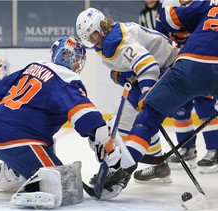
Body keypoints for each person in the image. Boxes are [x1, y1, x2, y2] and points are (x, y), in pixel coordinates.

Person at [0, 35, 126, 208]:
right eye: (73, 59)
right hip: (20, 140)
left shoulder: (33, 66)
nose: (75, 64)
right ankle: (25, 180)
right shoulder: (66, 80)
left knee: (48, 144)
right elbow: (85, 115)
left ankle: (16, 170)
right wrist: (103, 143)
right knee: (65, 184)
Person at [103, 0, 218, 193]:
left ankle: (122, 172)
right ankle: (190, 151)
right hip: (193, 65)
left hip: (190, 63)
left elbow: (169, 18)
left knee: (149, 115)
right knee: (190, 111)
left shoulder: (206, 4)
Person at [76, 7, 179, 184]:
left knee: (121, 124)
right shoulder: (109, 38)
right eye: (88, 38)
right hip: (164, 68)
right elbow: (132, 67)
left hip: (169, 70)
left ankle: (115, 170)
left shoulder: (116, 41)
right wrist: (121, 75)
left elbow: (148, 66)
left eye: (92, 34)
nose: (92, 40)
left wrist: (147, 96)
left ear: (101, 26)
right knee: (131, 119)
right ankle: (159, 164)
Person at [136, 0, 218, 177]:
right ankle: (187, 149)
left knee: (205, 106)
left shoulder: (201, 4)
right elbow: (161, 38)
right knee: (180, 109)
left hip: (194, 58)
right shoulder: (170, 5)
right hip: (181, 59)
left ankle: (214, 149)